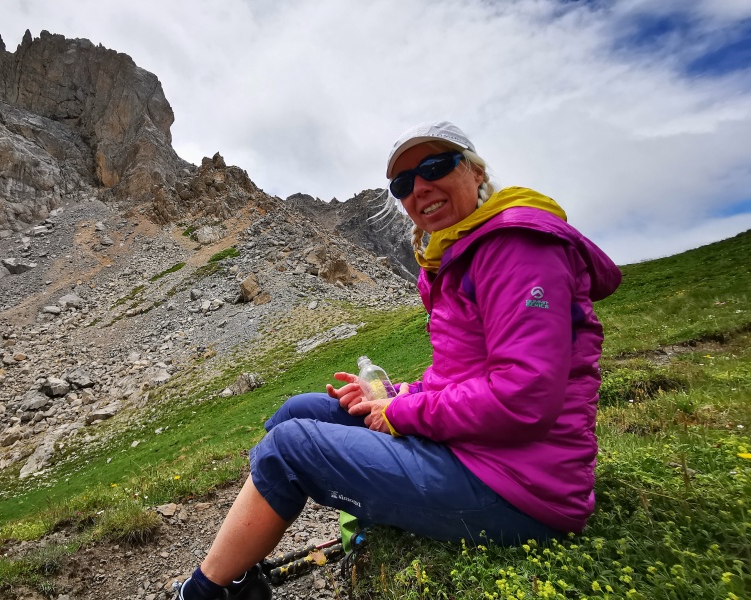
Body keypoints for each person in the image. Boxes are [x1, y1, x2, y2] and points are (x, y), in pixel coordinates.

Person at [173, 121, 622, 600]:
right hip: (478, 455)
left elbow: (524, 396)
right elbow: (464, 377)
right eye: (404, 183)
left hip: (519, 489)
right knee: (299, 410)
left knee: (290, 446)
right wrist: (395, 394)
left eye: (435, 165)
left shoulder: (517, 249)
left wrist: (402, 412)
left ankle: (205, 593)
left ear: (474, 171)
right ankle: (243, 569)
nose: (420, 187)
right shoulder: (464, 252)